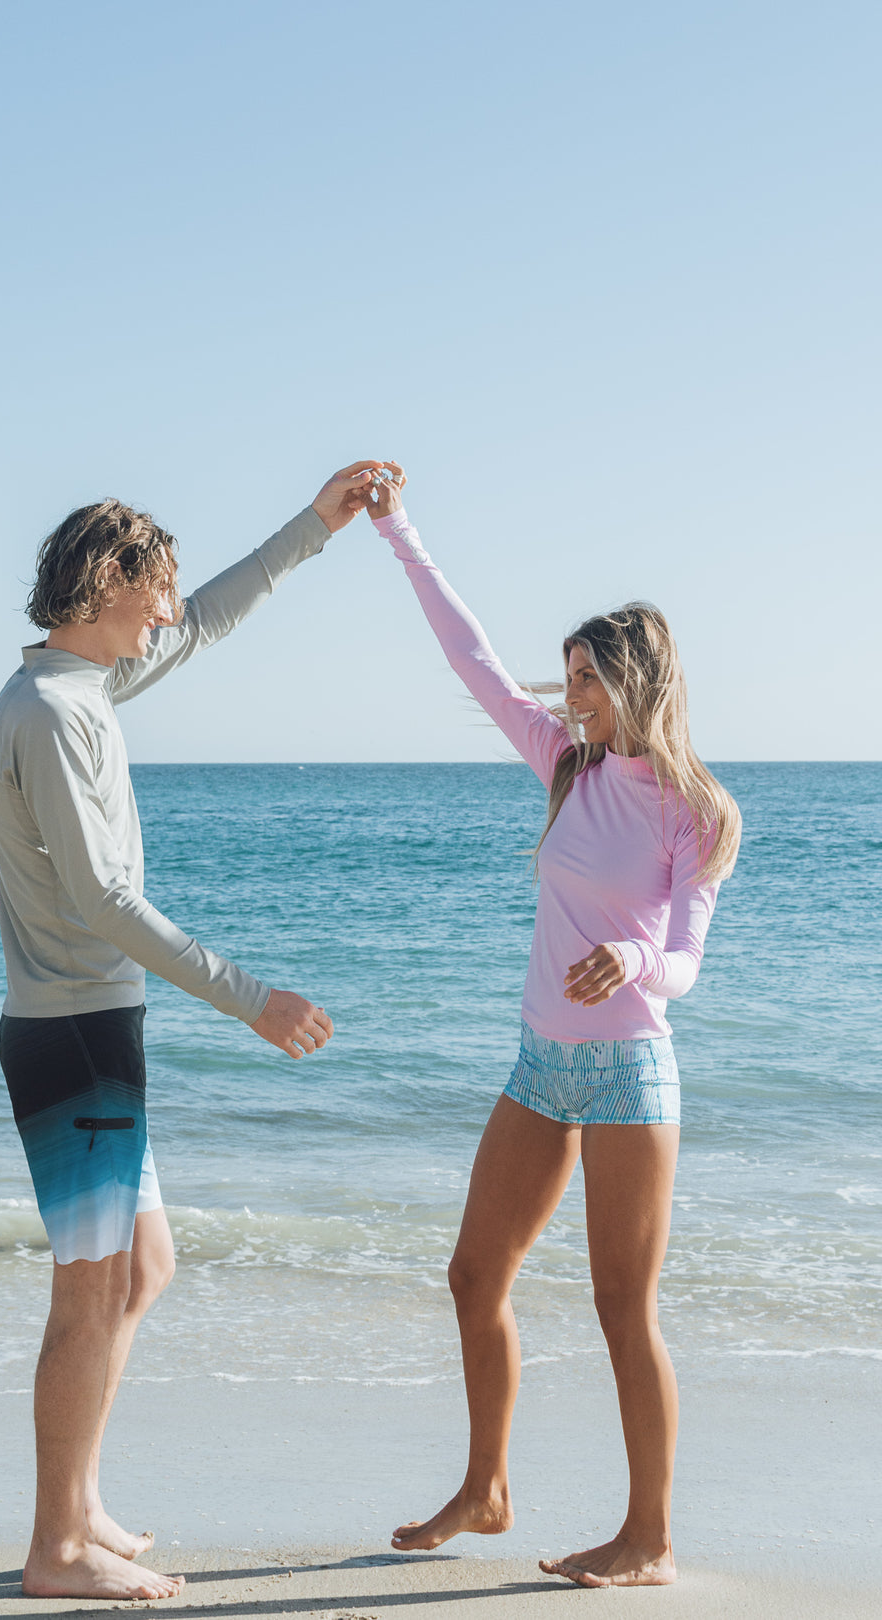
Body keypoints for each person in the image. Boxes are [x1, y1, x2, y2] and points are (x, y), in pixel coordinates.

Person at [0, 463, 376, 1602]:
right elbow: (103, 899)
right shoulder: (54, 717)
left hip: (98, 1025)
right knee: (89, 1289)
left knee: (144, 1271)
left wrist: (316, 526)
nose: (167, 609)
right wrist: (258, 1000)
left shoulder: (75, 690)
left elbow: (204, 626)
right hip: (76, 1034)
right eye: (153, 589)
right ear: (106, 586)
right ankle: (55, 1546)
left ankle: (81, 1501)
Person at [365, 464, 740, 1589]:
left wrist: (631, 957)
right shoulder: (565, 766)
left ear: (637, 679)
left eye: (588, 677)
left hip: (631, 1069)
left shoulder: (700, 812)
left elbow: (682, 964)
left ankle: (653, 1539)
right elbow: (472, 661)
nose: (570, 694)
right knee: (474, 1275)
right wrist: (400, 533)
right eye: (568, 677)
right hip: (540, 1066)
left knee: (625, 1308)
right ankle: (485, 1487)